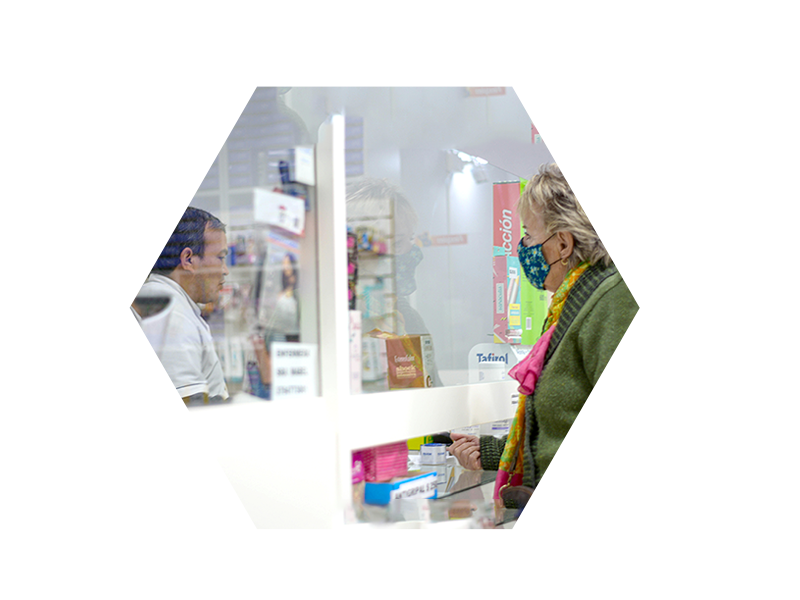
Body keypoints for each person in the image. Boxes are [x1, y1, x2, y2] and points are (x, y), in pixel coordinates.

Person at [449, 159, 639, 504]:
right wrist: (497, 451)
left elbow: (627, 432)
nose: (523, 246)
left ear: (563, 244)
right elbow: (570, 425)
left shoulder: (616, 300)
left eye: (528, 234)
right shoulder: (574, 301)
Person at [137, 206, 230, 409]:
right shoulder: (171, 316)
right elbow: (181, 412)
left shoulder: (172, 306)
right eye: (221, 258)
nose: (225, 270)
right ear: (188, 259)